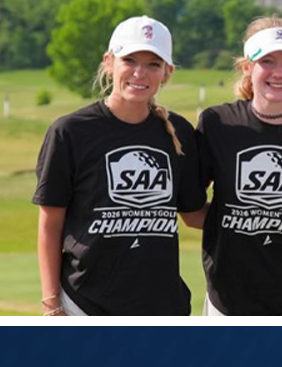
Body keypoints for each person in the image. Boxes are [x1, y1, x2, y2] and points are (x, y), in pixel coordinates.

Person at [32, 16, 203, 317]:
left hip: (163, 308)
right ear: (109, 62)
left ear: (167, 72)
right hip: (83, 307)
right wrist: (51, 303)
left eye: (153, 64)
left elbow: (193, 213)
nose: (140, 72)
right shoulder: (70, 132)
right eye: (130, 60)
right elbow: (50, 223)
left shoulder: (178, 131)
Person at [194, 19, 282, 315]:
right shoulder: (217, 124)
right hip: (228, 299)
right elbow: (192, 210)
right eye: (267, 61)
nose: (279, 72)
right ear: (247, 67)